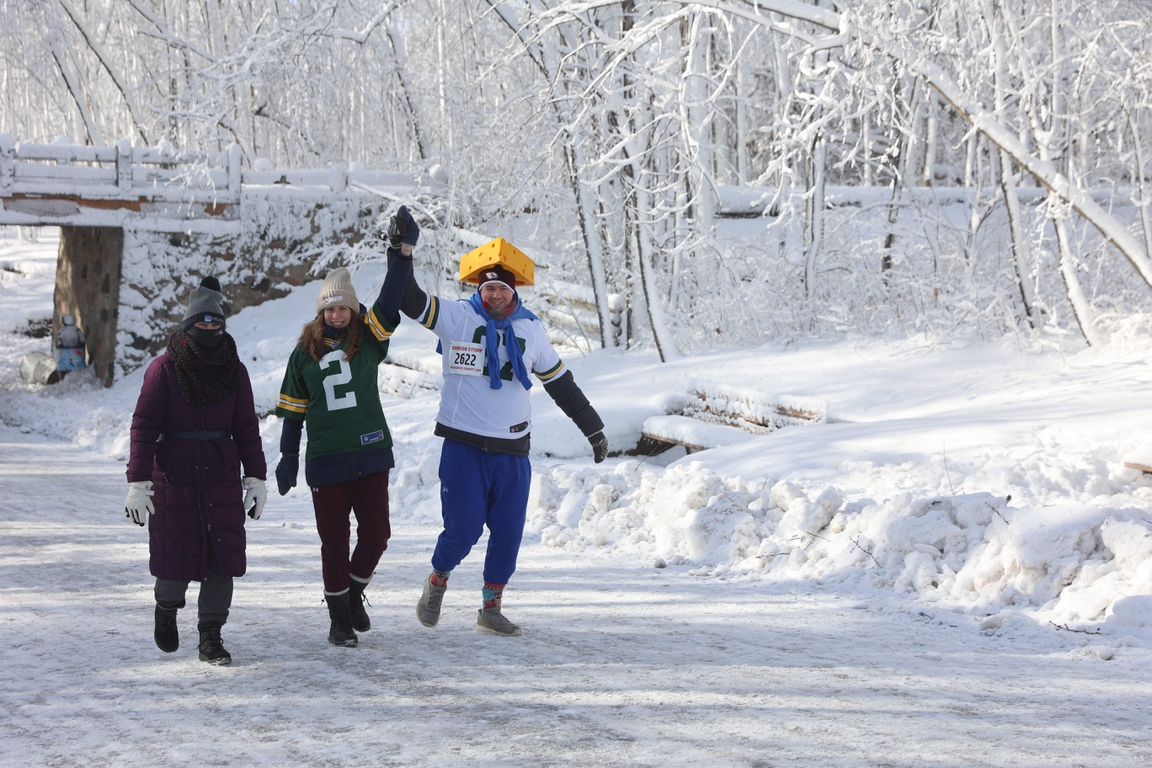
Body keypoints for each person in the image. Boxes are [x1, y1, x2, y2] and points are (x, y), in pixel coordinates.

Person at [384, 206, 609, 637]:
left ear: (514, 290)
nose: (496, 296)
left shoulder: (531, 330)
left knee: (508, 535)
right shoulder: (456, 317)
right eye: (489, 288)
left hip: (512, 453)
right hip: (464, 447)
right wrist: (403, 252)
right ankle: (437, 580)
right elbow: (408, 298)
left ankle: (491, 607)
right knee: (462, 532)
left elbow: (561, 384)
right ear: (479, 288)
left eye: (503, 289)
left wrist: (593, 427)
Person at [124, 276, 268, 666]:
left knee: (221, 558)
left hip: (220, 472)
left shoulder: (235, 371)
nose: (209, 330)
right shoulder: (164, 369)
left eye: (215, 324)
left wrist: (256, 478)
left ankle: (211, 636)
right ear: (187, 326)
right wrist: (138, 482)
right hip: (175, 475)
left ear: (222, 326)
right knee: (176, 555)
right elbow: (144, 426)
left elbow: (247, 429)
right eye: (201, 324)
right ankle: (166, 609)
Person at [274, 264, 409, 648]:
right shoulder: (303, 354)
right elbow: (293, 412)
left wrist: (400, 254)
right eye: (329, 309)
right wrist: (287, 457)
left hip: (370, 454)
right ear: (320, 312)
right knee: (334, 543)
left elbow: (390, 300)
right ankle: (339, 621)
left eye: (343, 309)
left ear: (353, 310)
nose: (336, 315)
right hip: (327, 460)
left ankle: (351, 594)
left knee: (377, 535)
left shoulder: (368, 340)